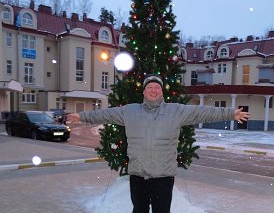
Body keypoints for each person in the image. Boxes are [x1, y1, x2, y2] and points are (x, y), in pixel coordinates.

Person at [67, 74, 250, 213]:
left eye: (157, 87)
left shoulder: (176, 111)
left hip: (163, 177)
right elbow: (104, 114)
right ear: (144, 91)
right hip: (138, 176)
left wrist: (230, 113)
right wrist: (81, 115)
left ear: (161, 92)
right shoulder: (129, 111)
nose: (153, 90)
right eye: (150, 87)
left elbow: (202, 112)